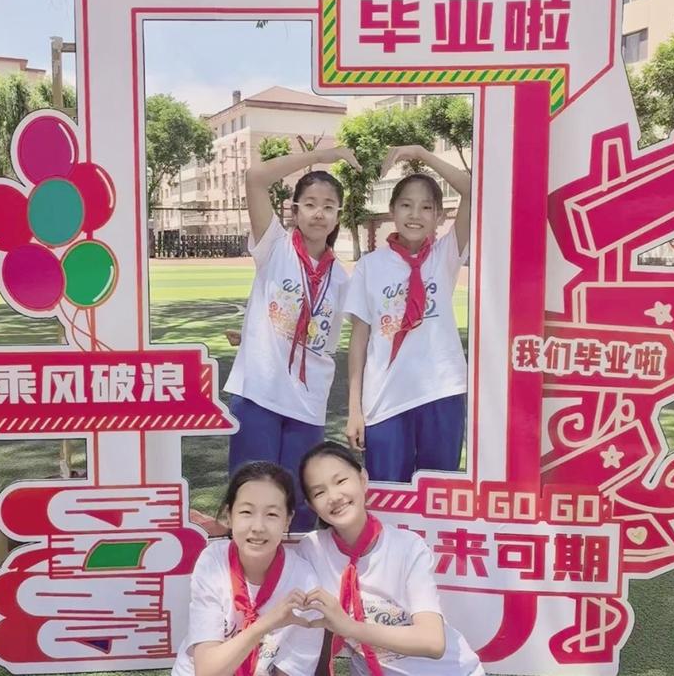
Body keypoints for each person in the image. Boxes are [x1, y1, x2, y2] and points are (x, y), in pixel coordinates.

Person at [224, 147, 359, 530]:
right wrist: (325, 153)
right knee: (252, 495)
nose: (319, 213)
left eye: (329, 207)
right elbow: (255, 177)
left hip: (308, 402)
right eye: (310, 204)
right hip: (259, 394)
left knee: (301, 503)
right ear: (295, 210)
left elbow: (326, 339)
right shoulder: (275, 245)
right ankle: (247, 568)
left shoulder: (341, 278)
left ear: (338, 217)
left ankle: (296, 568)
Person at [296, 441, 484, 676]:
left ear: (363, 479)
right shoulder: (312, 550)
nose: (333, 496)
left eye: (341, 481)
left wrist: (350, 627)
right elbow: (312, 628)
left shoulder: (407, 546)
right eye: (319, 492)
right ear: (311, 506)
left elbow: (433, 642)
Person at [345, 144, 471, 482]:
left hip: (441, 392)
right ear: (392, 210)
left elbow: (472, 189)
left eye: (426, 207)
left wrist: (421, 153)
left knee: (437, 494)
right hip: (385, 399)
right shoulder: (370, 266)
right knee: (387, 495)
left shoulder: (445, 256)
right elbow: (359, 341)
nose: (415, 214)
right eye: (406, 205)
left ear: (439, 216)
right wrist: (355, 409)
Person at [171, 461, 323, 676]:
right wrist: (268, 623)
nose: (258, 527)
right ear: (229, 515)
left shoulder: (304, 580)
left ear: (288, 520)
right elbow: (207, 671)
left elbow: (292, 670)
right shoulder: (213, 562)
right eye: (246, 512)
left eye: (272, 514)